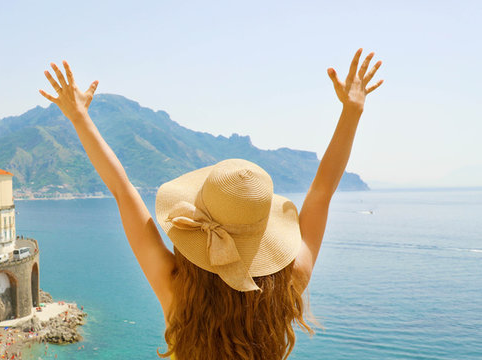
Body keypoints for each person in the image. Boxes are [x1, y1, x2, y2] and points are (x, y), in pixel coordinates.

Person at [39, 49, 383, 359]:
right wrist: (352, 111)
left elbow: (122, 189)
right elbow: (322, 194)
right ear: (265, 233)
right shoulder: (290, 282)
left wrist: (79, 116)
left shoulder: (177, 291)